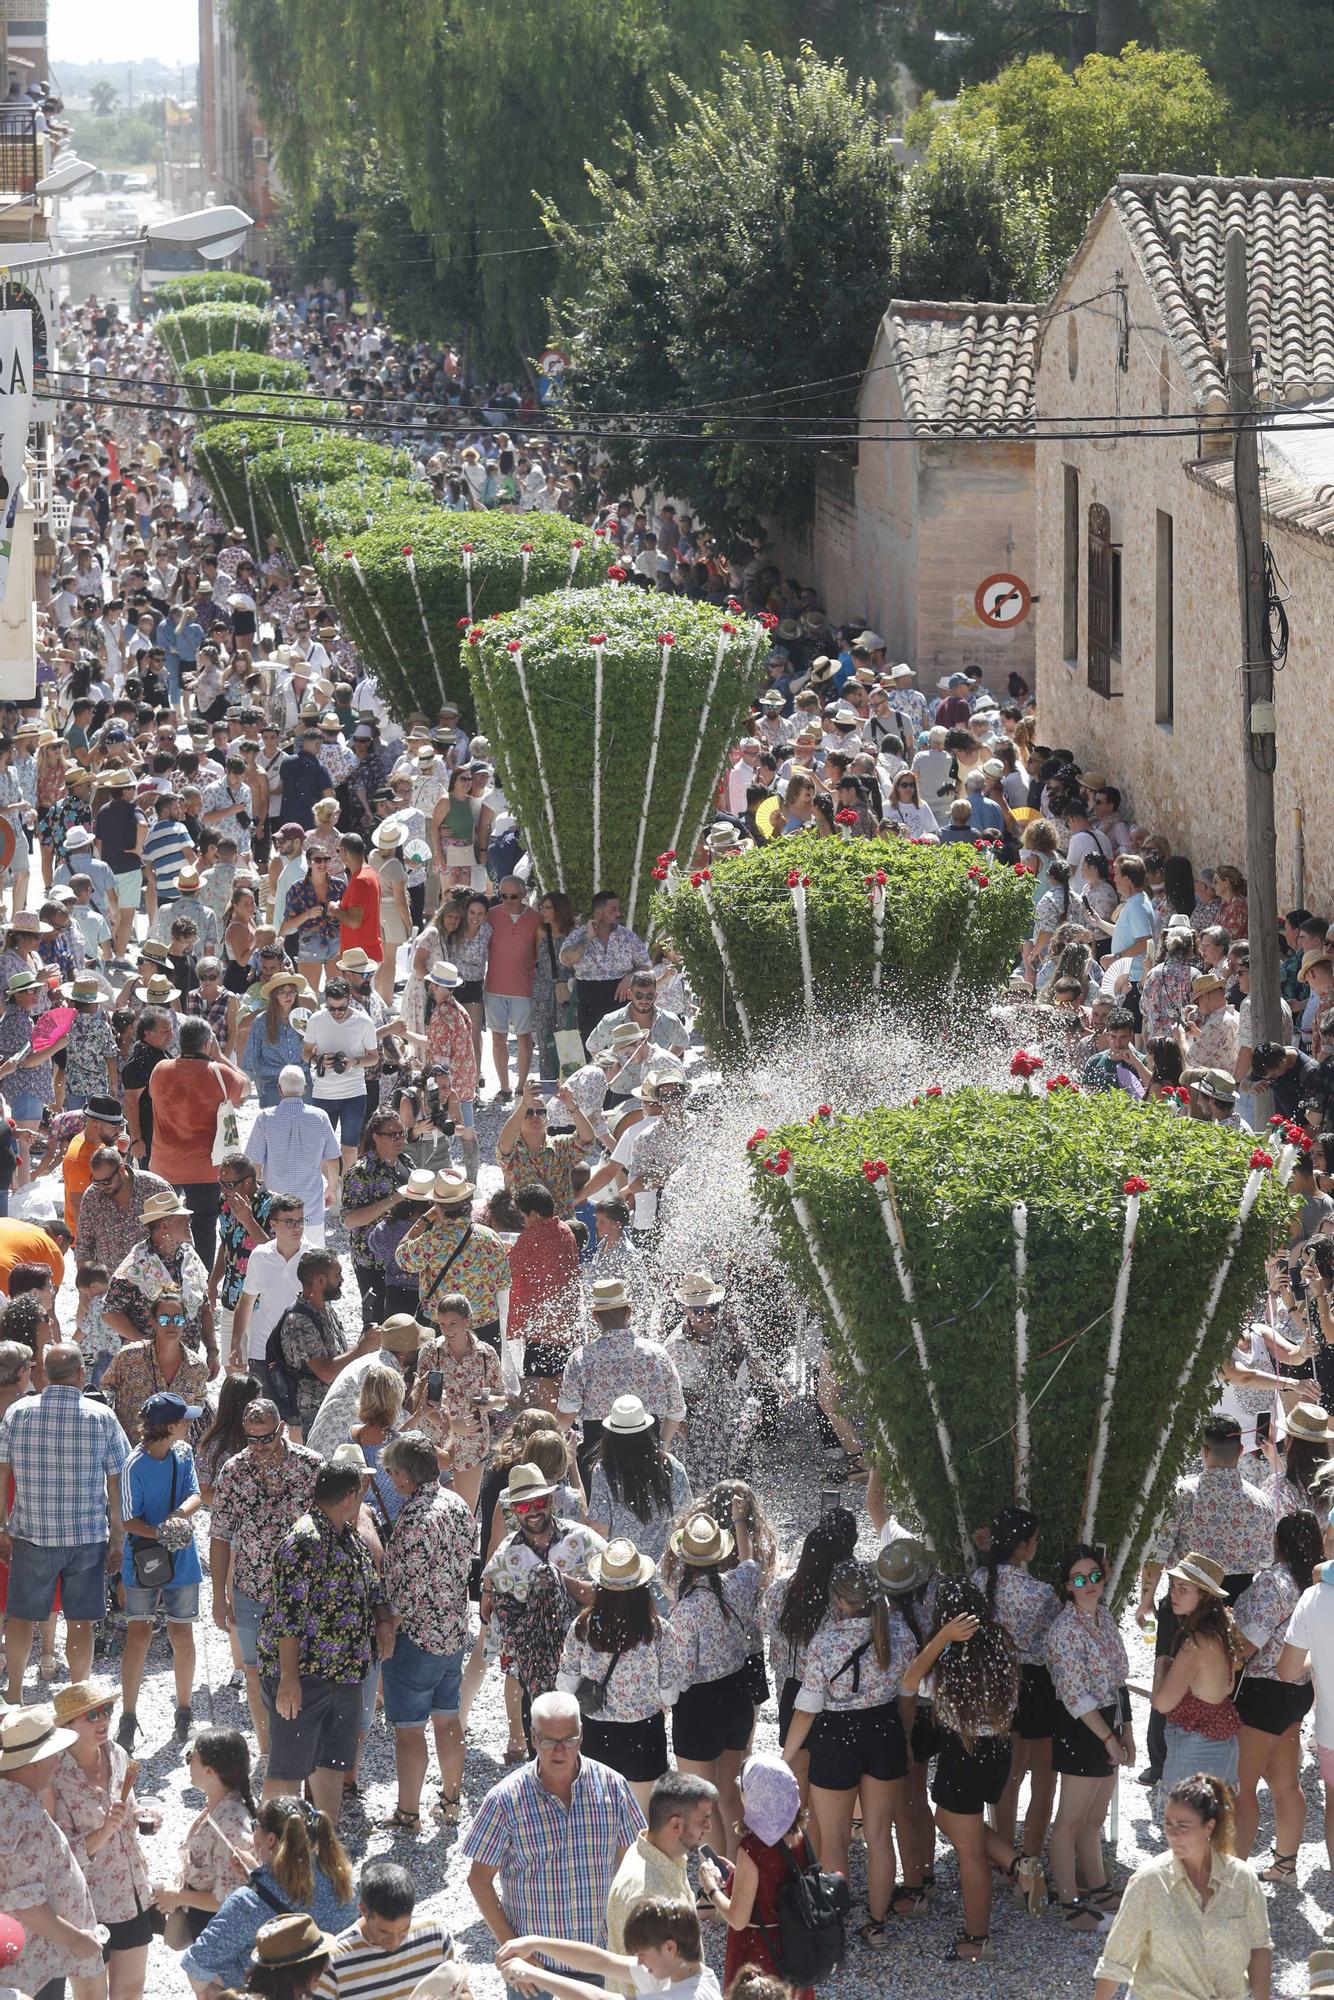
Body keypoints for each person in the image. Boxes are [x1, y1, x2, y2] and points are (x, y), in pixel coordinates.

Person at [1137, 1413, 1272, 1784]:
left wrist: (1146, 1598)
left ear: (1204, 1450)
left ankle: (1162, 1761)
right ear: (1241, 1450)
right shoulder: (1260, 1501)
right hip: (1237, 1597)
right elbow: (1263, 1559)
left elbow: (1160, 1551)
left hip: (1187, 1594)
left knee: (1169, 1672)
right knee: (1227, 1681)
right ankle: (1227, 1757)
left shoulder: (1184, 1492)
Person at [257, 1458, 393, 1820]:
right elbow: (288, 1616)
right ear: (350, 1495)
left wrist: (383, 1622)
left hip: (345, 1674)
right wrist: (288, 1679)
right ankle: (270, 1849)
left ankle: (323, 1851)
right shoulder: (304, 1540)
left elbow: (371, 1585)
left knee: (331, 1766)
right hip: (305, 1677)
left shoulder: (347, 1535)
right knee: (286, 1771)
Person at [463, 1689, 644, 1954]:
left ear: (581, 1735)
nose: (559, 1750)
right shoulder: (505, 1800)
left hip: (600, 1956)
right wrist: (513, 1949)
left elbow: (635, 1867)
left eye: (569, 1739)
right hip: (534, 1965)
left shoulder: (613, 1787)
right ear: (534, 1738)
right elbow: (478, 1880)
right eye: (549, 1741)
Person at [900, 1577, 1021, 1964]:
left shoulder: (951, 1661)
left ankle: (977, 1937)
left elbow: (909, 1680)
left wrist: (942, 1638)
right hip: (998, 1751)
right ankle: (1017, 1863)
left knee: (968, 1852)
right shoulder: (1002, 1649)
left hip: (963, 1751)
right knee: (946, 1820)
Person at [0, 1342, 130, 1698]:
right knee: (80, 1621)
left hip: (32, 1533)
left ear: (44, 1373)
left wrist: (1, 1526)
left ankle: (14, 1691)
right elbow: (117, 1481)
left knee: (22, 1617)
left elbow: (2, 1472)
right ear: (80, 1374)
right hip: (85, 1536)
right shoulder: (102, 1417)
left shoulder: (19, 1414)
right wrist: (117, 1536)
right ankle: (78, 1694)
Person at [209, 1399, 322, 1756]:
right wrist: (217, 1597)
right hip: (251, 1588)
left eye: (266, 1439)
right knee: (256, 1672)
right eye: (251, 1439)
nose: (258, 1447)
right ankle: (268, 1752)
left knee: (305, 1671)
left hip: (305, 1589)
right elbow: (220, 1535)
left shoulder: (311, 1465)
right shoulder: (233, 1470)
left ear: (282, 1430)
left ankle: (302, 1747)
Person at [1093, 1774, 1270, 2000]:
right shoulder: (1148, 1882)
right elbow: (1116, 1960)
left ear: (1209, 1827)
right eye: (1168, 1824)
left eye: (1183, 1826)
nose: (1173, 1834)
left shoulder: (1242, 1879)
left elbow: (1259, 1946)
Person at [378, 1433, 476, 1833]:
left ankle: (408, 1813)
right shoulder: (457, 1504)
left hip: (417, 1639)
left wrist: (387, 1628)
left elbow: (407, 1590)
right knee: (448, 1719)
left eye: (390, 1472)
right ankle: (451, 1802)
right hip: (453, 1630)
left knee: (409, 1731)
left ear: (403, 1475)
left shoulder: (415, 1517)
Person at [660, 1504, 761, 1857]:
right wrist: (739, 1522)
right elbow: (751, 1563)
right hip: (737, 1695)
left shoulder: (686, 1611)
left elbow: (683, 1674)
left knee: (702, 1803)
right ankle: (742, 1873)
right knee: (729, 1792)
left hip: (700, 1707)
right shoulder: (738, 1585)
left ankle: (717, 1883)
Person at [181, 1800, 357, 1995]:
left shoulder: (247, 1904)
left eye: (256, 1826)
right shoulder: (342, 1880)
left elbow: (197, 1965)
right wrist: (258, 1876)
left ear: (270, 1840)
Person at [481, 1462, 607, 1733]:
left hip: (587, 1670)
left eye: (539, 1503)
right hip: (536, 1681)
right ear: (515, 1511)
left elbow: (613, 1594)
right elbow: (505, 1631)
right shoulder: (505, 1558)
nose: (534, 1512)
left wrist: (561, 1582)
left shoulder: (584, 1540)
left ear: (550, 1500)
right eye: (525, 1507)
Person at [49, 1678, 155, 2000]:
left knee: (131, 1991)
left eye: (107, 1710)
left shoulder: (118, 1754)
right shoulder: (55, 1777)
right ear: (68, 1725)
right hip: (87, 1904)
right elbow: (61, 1854)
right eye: (92, 1715)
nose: (105, 1720)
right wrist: (105, 1830)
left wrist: (141, 1818)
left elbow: (130, 1810)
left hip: (132, 1892)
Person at [1044, 1543, 1131, 1930]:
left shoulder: (1104, 1617)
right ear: (1068, 1585)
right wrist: (1109, 1739)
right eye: (1080, 1579)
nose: (1090, 1584)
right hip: (1082, 1730)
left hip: (1107, 1722)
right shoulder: (1064, 1631)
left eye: (1095, 1576)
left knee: (1093, 1819)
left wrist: (1125, 1730)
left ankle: (1097, 1887)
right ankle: (1069, 1904)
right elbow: (1075, 1696)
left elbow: (1118, 1681)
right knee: (1069, 1821)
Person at [1232, 1510, 1322, 1877]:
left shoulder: (1274, 1582)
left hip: (1262, 1692)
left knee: (1242, 1786)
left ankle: (1230, 1876)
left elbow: (1248, 1641)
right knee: (1285, 1783)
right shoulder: (1316, 1586)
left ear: (1278, 1542)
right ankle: (1285, 1864)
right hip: (1297, 1689)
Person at [554, 1538, 675, 1809]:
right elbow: (670, 1692)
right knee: (643, 1827)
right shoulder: (659, 1630)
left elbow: (564, 1685)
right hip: (645, 1733)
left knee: (600, 1825)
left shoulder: (583, 1627)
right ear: (642, 1587)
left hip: (596, 1733)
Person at [971, 1506, 1059, 1872]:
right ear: (1023, 1547)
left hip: (995, 1682)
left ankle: (1007, 1856)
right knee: (1043, 1778)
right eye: (1035, 1541)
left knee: (1008, 1775)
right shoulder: (1040, 1593)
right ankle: (1034, 1856)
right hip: (1035, 1683)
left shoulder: (977, 1579)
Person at [116, 1389, 205, 1749]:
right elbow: (127, 1520)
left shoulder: (183, 1454)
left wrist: (177, 1517)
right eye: (184, 1419)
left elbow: (196, 1495)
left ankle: (184, 1712)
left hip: (181, 1558)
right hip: (143, 1559)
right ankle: (128, 1716)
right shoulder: (133, 1466)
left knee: (182, 1635)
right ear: (169, 1426)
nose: (189, 1424)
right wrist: (159, 1533)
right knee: (138, 1636)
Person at [0, 1703, 107, 2000]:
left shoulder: (11, 1799)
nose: (59, 1761)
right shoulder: (24, 1818)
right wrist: (76, 1940)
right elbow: (27, 1904)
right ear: (35, 1762)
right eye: (54, 1754)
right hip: (36, 1961)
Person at [698, 1754, 817, 2000]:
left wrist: (711, 1889)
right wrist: (736, 1875)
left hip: (759, 1950)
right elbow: (776, 1883)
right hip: (796, 1946)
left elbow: (738, 1918)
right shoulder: (799, 1836)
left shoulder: (753, 1848)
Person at [558, 1281, 685, 1487]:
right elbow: (677, 1410)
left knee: (596, 1518)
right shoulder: (656, 1355)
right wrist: (662, 1445)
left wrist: (551, 1438)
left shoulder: (582, 1359)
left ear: (595, 1317)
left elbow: (565, 1416)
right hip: (646, 1452)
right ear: (629, 1312)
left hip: (598, 1456)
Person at [147, 1016, 248, 1263]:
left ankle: (162, 1272)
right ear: (207, 1043)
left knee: (160, 1224)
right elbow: (245, 1087)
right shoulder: (220, 1073)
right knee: (204, 1226)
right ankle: (202, 1280)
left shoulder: (160, 1069)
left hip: (165, 1164)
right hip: (204, 1167)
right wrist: (220, 1056)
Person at [1152, 1551, 1246, 1795]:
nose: (1173, 1593)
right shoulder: (1223, 1628)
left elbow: (1162, 1703)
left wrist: (1162, 1663)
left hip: (1197, 1750)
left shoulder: (1197, 1642)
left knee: (1186, 1826)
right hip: (1224, 1745)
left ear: (1204, 1595)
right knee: (1214, 1829)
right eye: (1172, 1586)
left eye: (1183, 1588)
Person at [498, 1897, 719, 2000]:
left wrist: (530, 1972)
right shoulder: (693, 1974)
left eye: (642, 1954)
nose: (639, 1961)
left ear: (670, 1947)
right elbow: (602, 1961)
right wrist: (535, 1942)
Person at [101, 1188, 217, 1379]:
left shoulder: (189, 1255)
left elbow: (204, 1307)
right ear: (164, 1226)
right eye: (181, 1219)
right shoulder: (136, 1265)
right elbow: (110, 1313)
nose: (188, 1221)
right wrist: (148, 1347)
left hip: (187, 1364)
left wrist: (212, 1350)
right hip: (147, 1369)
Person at [152, 1728, 256, 1942]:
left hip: (217, 1929)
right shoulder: (222, 1805)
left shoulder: (231, 1829)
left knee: (202, 1976)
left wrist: (179, 1897)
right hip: (203, 1918)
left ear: (210, 1772)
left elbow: (227, 1899)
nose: (188, 1763)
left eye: (192, 1758)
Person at [605, 1771, 718, 1962]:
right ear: (676, 1825)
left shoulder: (658, 1853)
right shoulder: (647, 1895)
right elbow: (657, 1984)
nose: (709, 1828)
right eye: (702, 1820)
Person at [395, 1169, 511, 1353]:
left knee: (439, 1380)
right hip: (485, 1327)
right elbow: (504, 1281)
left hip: (443, 1328)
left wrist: (424, 1219)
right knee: (485, 1380)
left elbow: (402, 1257)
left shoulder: (433, 1240)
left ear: (438, 1208)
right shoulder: (491, 1237)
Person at [408, 1294, 504, 1512]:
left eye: (453, 1323)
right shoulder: (431, 1353)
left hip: (473, 1440)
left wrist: (489, 1402)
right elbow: (423, 1404)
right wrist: (453, 1425)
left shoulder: (486, 1355)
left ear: (466, 1321)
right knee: (431, 1509)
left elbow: (502, 1396)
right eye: (442, 1324)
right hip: (435, 1440)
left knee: (466, 1512)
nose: (447, 1330)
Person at [315, 1857, 454, 2000]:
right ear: (363, 1910)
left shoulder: (435, 1936)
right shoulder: (333, 1961)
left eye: (404, 1930)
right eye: (384, 1932)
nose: (394, 1942)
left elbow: (459, 1990)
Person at [275, 1249, 375, 1439]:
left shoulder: (324, 1309)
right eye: (337, 1275)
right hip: (315, 1413)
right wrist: (363, 1348)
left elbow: (337, 1354)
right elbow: (326, 1372)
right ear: (320, 1280)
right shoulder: (299, 1322)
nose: (342, 1280)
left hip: (333, 1406)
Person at [585, 1396, 692, 1564]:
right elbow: (685, 1518)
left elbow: (600, 1529)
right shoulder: (671, 1465)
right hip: (664, 1568)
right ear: (646, 1430)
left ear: (611, 1434)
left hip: (624, 1567)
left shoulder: (604, 1472)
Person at [249, 1069, 341, 1247]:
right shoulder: (320, 1117)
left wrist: (255, 1198)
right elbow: (332, 1159)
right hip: (310, 1206)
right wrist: (332, 1187)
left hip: (275, 1206)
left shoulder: (265, 1118)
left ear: (279, 1089)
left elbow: (256, 1164)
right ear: (305, 1088)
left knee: (277, 1258)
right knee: (313, 1259)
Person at [303, 978, 377, 1173]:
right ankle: (331, 1189)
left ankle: (346, 1192)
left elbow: (374, 1057)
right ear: (325, 1001)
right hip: (323, 1094)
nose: (336, 1013)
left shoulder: (364, 1022)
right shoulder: (316, 1020)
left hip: (354, 1094)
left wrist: (354, 1062)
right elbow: (305, 1052)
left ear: (349, 1000)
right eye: (331, 1008)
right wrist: (318, 1060)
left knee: (350, 1148)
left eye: (341, 1008)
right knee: (321, 1149)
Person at [482, 877, 541, 1100]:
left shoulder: (535, 919)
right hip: (494, 986)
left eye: (513, 896)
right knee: (498, 1038)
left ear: (524, 894)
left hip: (523, 988)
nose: (507, 901)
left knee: (524, 1038)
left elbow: (539, 953)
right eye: (503, 896)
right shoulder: (491, 915)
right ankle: (505, 1086)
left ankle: (522, 1086)